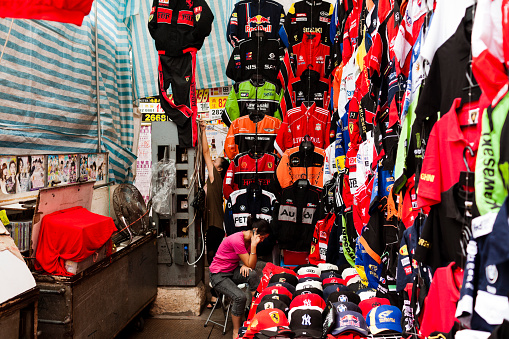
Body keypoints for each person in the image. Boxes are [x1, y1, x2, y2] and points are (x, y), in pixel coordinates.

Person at [209, 217, 271, 339]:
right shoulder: (237, 239)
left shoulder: (249, 240)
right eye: (262, 237)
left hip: (231, 270)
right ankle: (236, 331)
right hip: (218, 275)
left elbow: (251, 266)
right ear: (255, 232)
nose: (262, 241)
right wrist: (253, 248)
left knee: (252, 275)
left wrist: (244, 265)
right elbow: (251, 264)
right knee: (240, 297)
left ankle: (255, 311)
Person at [199, 121, 229, 306]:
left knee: (213, 262)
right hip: (215, 226)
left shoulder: (215, 177)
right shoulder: (215, 182)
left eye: (216, 162)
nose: (213, 160)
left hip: (214, 226)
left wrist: (203, 131)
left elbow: (205, 153)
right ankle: (217, 295)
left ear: (218, 169)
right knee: (214, 260)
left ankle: (216, 296)